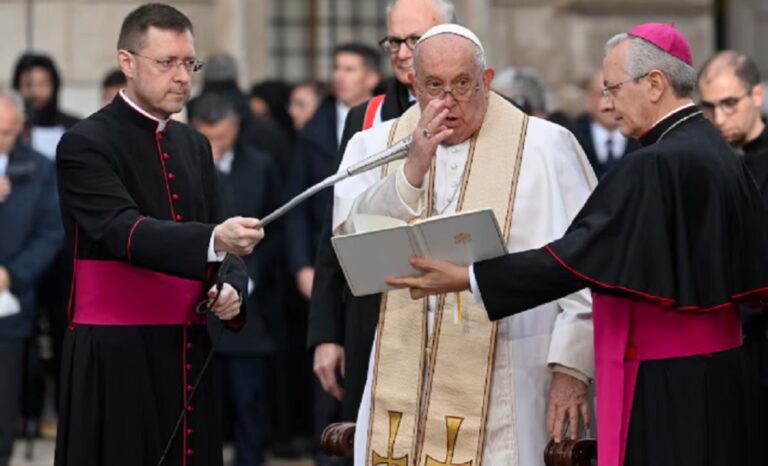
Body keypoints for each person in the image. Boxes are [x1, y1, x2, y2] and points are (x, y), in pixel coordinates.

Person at [388, 23, 768, 466]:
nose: (605, 105)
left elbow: (576, 258)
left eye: (612, 89)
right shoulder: (717, 150)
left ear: (655, 84)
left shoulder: (656, 165)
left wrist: (469, 277)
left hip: (669, 383)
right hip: (725, 372)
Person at [336, 25, 596, 466]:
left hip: (514, 372)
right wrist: (410, 171)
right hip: (406, 379)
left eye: (462, 84)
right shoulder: (375, 146)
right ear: (413, 85)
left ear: (487, 81)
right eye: (434, 86)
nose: (447, 100)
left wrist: (572, 366)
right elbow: (352, 245)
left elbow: (586, 263)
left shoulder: (546, 147)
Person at [53, 4, 265, 466]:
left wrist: (230, 286)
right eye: (166, 63)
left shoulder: (193, 144)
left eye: (189, 63)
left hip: (188, 350)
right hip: (117, 358)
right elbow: (122, 231)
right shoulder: (85, 143)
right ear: (127, 62)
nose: (182, 77)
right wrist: (217, 241)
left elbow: (224, 241)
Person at [307, 0, 455, 426]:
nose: (403, 52)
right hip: (376, 308)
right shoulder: (366, 117)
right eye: (394, 41)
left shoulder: (485, 110)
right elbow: (333, 229)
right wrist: (327, 333)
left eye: (415, 39)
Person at [191, 92, 282, 466]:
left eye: (222, 136)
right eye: (206, 137)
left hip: (251, 303)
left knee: (249, 399)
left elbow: (277, 227)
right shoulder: (183, 168)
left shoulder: (260, 166)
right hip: (197, 297)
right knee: (200, 401)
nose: (214, 146)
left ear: (236, 128)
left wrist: (250, 279)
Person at [697, 50, 768, 427]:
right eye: (709, 107)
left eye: (729, 103)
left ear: (756, 95)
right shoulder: (720, 163)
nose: (720, 118)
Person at [0, 88, 63, 466]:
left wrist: (12, 273)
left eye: (6, 131)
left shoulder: (39, 169)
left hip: (11, 301)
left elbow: (51, 233)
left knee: (4, 394)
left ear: (21, 127)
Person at [12, 53, 79, 159]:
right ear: (18, 87)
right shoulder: (10, 129)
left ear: (54, 86)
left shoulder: (75, 128)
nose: (35, 92)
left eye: (42, 84)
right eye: (29, 85)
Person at [573, 70, 639, 178]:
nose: (609, 104)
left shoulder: (643, 140)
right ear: (589, 100)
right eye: (602, 95)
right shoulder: (573, 139)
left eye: (615, 94)